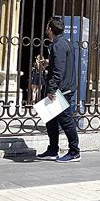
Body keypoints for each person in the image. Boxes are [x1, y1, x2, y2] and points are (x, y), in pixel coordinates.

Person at [36, 17, 79, 162]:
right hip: (63, 87)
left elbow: (59, 71)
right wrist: (49, 62)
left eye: (48, 27)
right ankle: (52, 149)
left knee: (66, 120)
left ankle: (74, 151)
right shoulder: (64, 43)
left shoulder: (58, 45)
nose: (47, 30)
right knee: (50, 119)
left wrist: (52, 89)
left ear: (50, 29)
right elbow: (61, 63)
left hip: (61, 89)